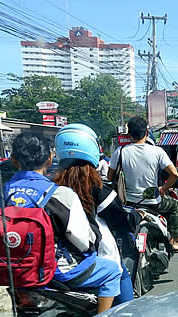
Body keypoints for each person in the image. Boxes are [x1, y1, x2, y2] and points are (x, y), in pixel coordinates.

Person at [0, 132, 127, 314]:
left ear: (13, 160)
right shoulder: (60, 195)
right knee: (112, 270)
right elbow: (83, 243)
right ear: (50, 159)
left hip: (13, 274)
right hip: (58, 272)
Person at [53, 124, 134, 306]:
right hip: (88, 259)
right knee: (120, 275)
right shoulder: (97, 189)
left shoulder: (51, 186)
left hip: (54, 262)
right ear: (92, 149)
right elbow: (120, 221)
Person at [108, 116, 178, 256]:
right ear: (146, 133)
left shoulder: (120, 152)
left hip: (128, 202)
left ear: (129, 135)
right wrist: (163, 189)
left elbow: (110, 177)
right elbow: (174, 175)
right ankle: (176, 240)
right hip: (153, 202)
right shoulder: (157, 151)